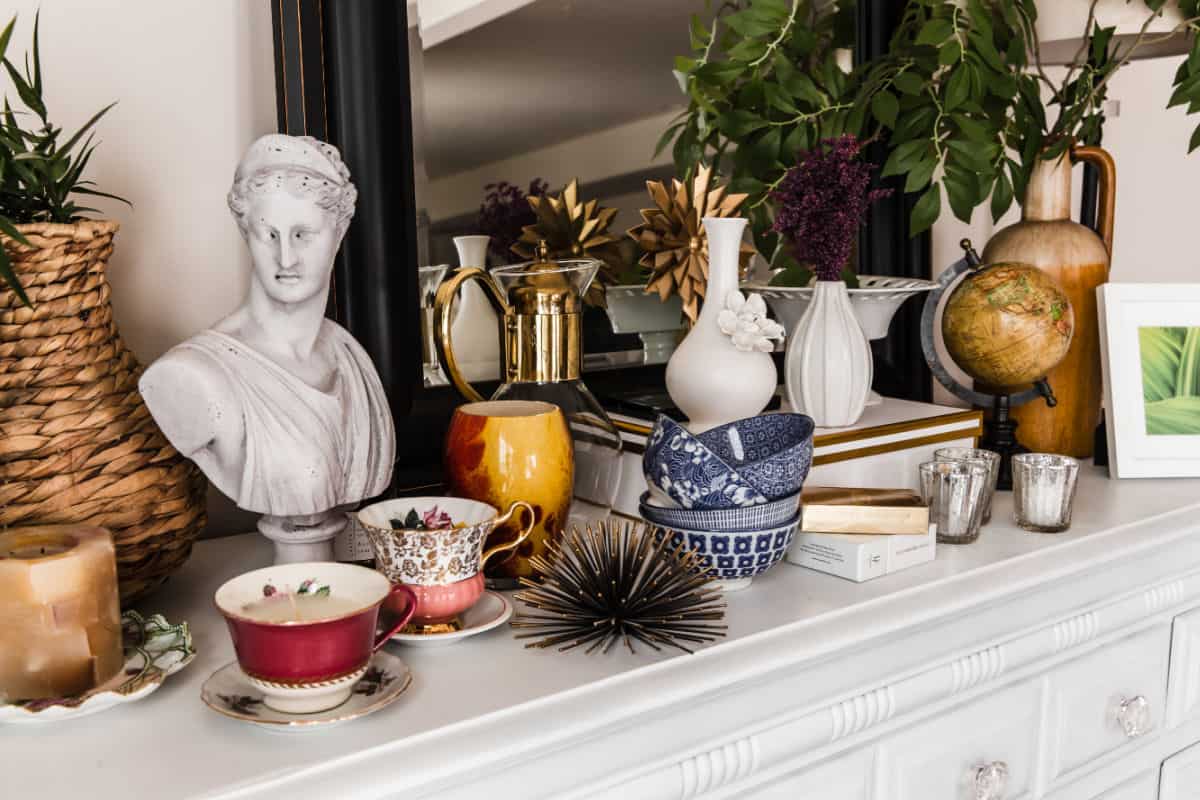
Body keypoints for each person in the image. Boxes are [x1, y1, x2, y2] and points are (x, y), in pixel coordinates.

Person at [140, 135, 394, 558]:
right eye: (268, 234)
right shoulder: (191, 375)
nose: (286, 257)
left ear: (338, 233)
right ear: (246, 233)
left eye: (303, 234)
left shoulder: (351, 358)